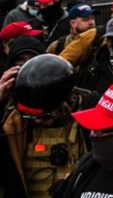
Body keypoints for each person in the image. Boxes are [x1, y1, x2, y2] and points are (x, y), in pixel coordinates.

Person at [1, 54, 90, 198]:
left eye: (45, 116)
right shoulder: (15, 126)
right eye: (30, 116)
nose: (37, 121)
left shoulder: (88, 122)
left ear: (65, 103)